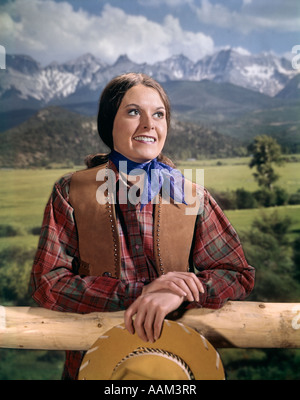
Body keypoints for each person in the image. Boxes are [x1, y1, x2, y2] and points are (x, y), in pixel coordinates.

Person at [30, 73, 255, 380]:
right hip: (95, 363)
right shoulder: (72, 191)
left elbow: (236, 273)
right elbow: (49, 283)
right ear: (109, 123)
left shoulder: (192, 195)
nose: (150, 125)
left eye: (159, 114)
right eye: (134, 112)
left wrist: (180, 293)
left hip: (176, 364)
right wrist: (141, 292)